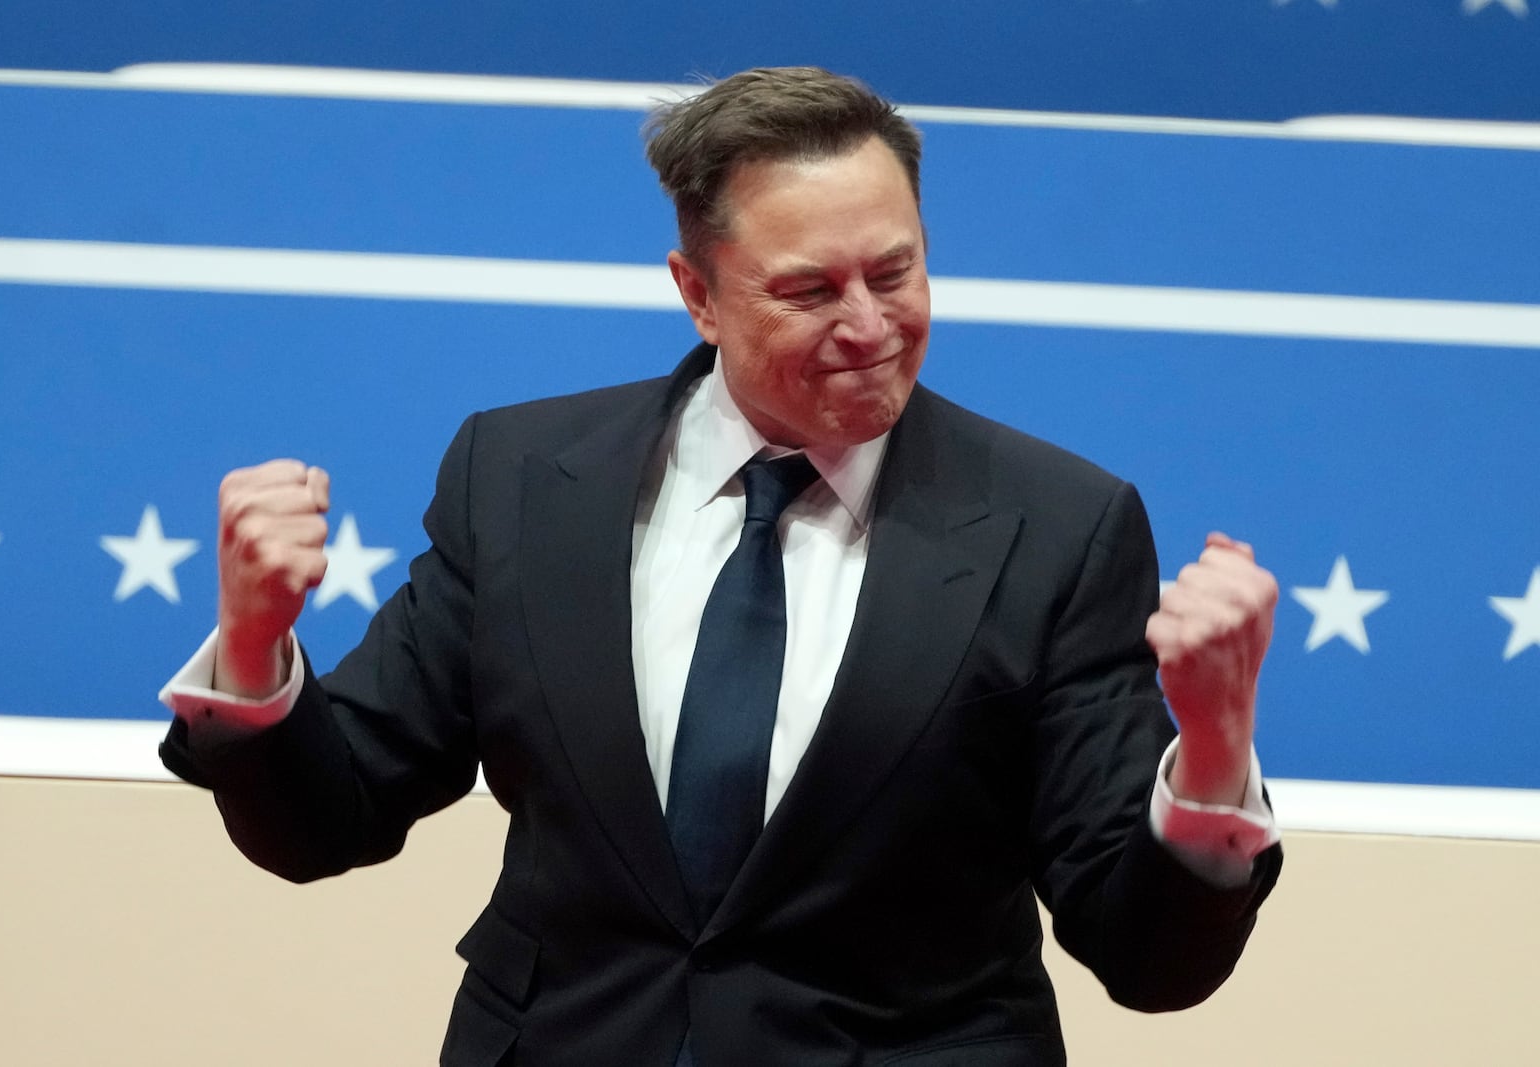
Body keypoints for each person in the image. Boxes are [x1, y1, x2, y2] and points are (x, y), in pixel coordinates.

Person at [160, 66, 1282, 1067]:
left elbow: (1148, 959)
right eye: (808, 290)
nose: (868, 324)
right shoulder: (518, 477)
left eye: (895, 272)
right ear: (696, 292)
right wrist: (256, 648)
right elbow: (328, 816)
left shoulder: (1058, 524)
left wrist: (1217, 748)